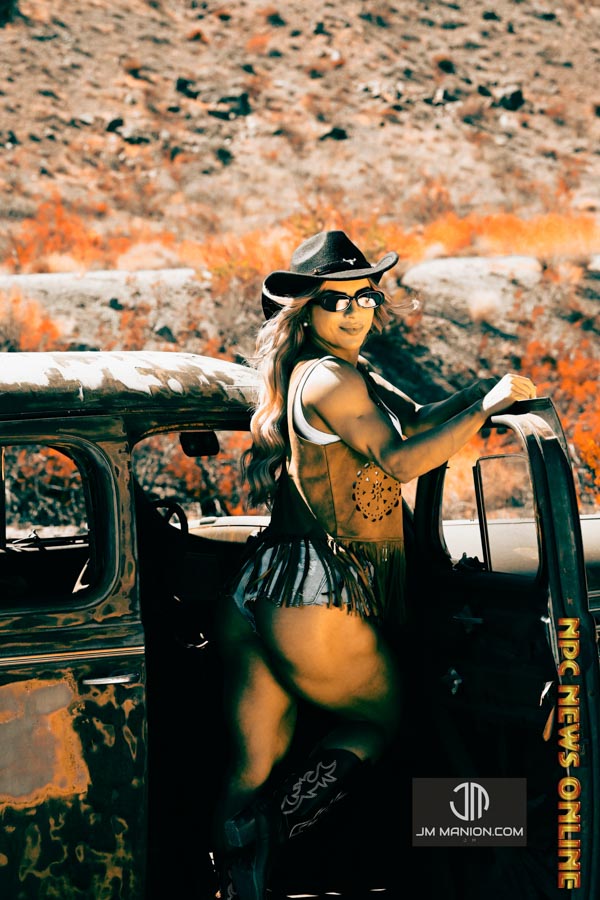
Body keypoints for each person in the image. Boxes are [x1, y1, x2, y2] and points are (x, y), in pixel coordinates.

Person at [213, 229, 537, 899]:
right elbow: (400, 460)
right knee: (382, 722)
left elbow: (413, 420)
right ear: (307, 312)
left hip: (263, 589)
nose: (355, 311)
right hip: (314, 595)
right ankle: (275, 834)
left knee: (254, 763)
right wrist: (487, 409)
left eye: (365, 296)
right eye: (337, 301)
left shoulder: (327, 370)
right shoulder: (333, 378)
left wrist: (478, 393)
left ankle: (222, 875)